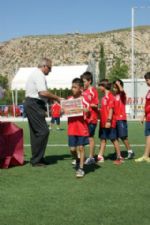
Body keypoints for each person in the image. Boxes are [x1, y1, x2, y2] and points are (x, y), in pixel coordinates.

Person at [24, 58, 61, 167]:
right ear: (44, 66)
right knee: (43, 131)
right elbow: (42, 92)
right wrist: (57, 97)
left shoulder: (36, 74)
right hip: (34, 104)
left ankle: (37, 159)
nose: (50, 71)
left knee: (36, 133)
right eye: (49, 68)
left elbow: (41, 94)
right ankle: (36, 159)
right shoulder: (39, 75)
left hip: (33, 104)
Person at [66, 78, 89, 178]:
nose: (73, 89)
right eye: (72, 87)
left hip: (81, 128)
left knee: (81, 148)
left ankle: (81, 168)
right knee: (72, 149)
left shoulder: (84, 99)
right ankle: (78, 160)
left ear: (80, 88)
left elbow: (87, 110)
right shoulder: (69, 100)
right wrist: (64, 109)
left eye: (75, 87)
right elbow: (64, 111)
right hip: (71, 128)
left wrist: (83, 109)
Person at [97, 79, 123, 164]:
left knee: (114, 139)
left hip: (110, 123)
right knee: (103, 139)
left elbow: (111, 110)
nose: (99, 87)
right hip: (103, 123)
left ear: (104, 87)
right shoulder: (104, 97)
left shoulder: (111, 97)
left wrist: (108, 121)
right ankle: (100, 156)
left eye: (100, 86)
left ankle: (119, 157)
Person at [113, 79, 134, 159]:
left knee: (123, 136)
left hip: (121, 118)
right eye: (114, 87)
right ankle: (118, 154)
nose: (114, 89)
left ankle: (130, 151)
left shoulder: (122, 94)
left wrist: (118, 84)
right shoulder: (114, 96)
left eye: (116, 87)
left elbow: (121, 90)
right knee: (116, 137)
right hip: (115, 119)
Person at [80, 71, 99, 165]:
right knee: (81, 137)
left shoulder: (93, 91)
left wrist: (88, 106)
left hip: (92, 119)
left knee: (90, 138)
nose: (83, 83)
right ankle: (81, 158)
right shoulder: (83, 91)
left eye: (84, 81)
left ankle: (91, 157)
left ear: (89, 81)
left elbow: (96, 105)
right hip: (83, 119)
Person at [135, 72, 150, 162]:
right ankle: (146, 155)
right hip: (148, 117)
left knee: (149, 136)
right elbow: (147, 105)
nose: (146, 82)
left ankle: (146, 155)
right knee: (148, 136)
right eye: (146, 80)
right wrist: (143, 115)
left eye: (147, 80)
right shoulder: (149, 91)